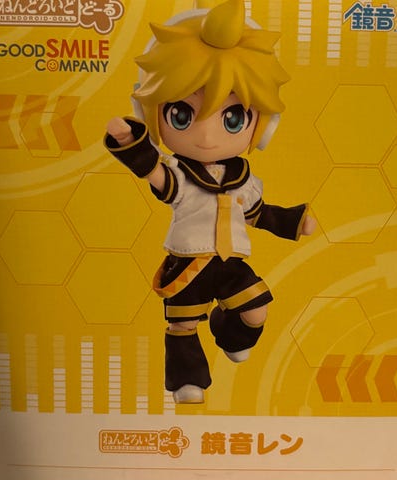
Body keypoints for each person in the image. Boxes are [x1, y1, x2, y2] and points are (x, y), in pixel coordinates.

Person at [104, 0, 316, 404]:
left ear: (262, 126)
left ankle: (229, 332)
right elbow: (156, 174)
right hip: (188, 264)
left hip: (230, 262)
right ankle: (188, 380)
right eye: (182, 115)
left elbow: (257, 213)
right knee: (183, 326)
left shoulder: (243, 178)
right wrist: (132, 144)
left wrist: (294, 221)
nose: (205, 137)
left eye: (232, 118)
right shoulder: (181, 174)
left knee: (256, 310)